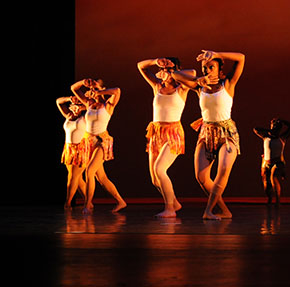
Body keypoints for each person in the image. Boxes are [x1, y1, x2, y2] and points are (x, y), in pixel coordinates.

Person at [173, 50, 245, 220]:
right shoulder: (200, 87)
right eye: (204, 68)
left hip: (226, 134)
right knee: (201, 177)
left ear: (220, 70)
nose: (206, 71)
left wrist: (216, 53)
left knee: (224, 169)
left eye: (211, 67)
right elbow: (175, 75)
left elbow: (241, 58)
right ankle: (223, 210)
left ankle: (208, 211)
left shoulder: (227, 84)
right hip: (206, 133)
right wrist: (198, 80)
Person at [137, 57, 196, 218]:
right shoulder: (156, 86)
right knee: (155, 179)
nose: (163, 71)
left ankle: (170, 209)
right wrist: (157, 61)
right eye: (162, 69)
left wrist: (171, 70)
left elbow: (193, 72)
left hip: (173, 133)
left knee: (160, 169)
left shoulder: (182, 88)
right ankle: (175, 203)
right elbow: (141, 66)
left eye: (168, 69)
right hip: (156, 133)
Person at [71, 78, 127, 214]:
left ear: (102, 90)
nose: (91, 92)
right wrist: (84, 82)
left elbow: (117, 91)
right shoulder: (88, 103)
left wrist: (100, 90)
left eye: (94, 89)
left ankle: (87, 204)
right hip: (88, 142)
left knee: (89, 171)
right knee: (101, 177)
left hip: (102, 141)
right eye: (90, 90)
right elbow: (74, 88)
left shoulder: (108, 105)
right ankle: (120, 201)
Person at [254, 118, 290, 205]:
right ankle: (269, 199)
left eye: (276, 127)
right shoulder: (265, 136)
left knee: (273, 177)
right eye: (273, 126)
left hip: (278, 162)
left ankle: (277, 201)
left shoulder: (282, 137)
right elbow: (255, 129)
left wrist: (283, 121)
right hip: (266, 162)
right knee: (266, 182)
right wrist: (270, 130)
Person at [57, 96, 87, 209]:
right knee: (77, 178)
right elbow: (58, 102)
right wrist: (70, 99)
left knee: (72, 177)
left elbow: (90, 107)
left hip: (80, 149)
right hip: (68, 149)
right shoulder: (68, 116)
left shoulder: (86, 117)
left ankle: (68, 203)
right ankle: (88, 200)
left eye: (78, 105)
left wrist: (81, 107)